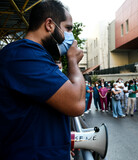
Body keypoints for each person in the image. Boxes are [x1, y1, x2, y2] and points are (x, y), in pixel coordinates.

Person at [0, 1, 86, 159]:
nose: (71, 37)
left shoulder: (36, 57)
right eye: (67, 28)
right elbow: (77, 103)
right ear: (49, 25)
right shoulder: (24, 56)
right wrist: (73, 61)